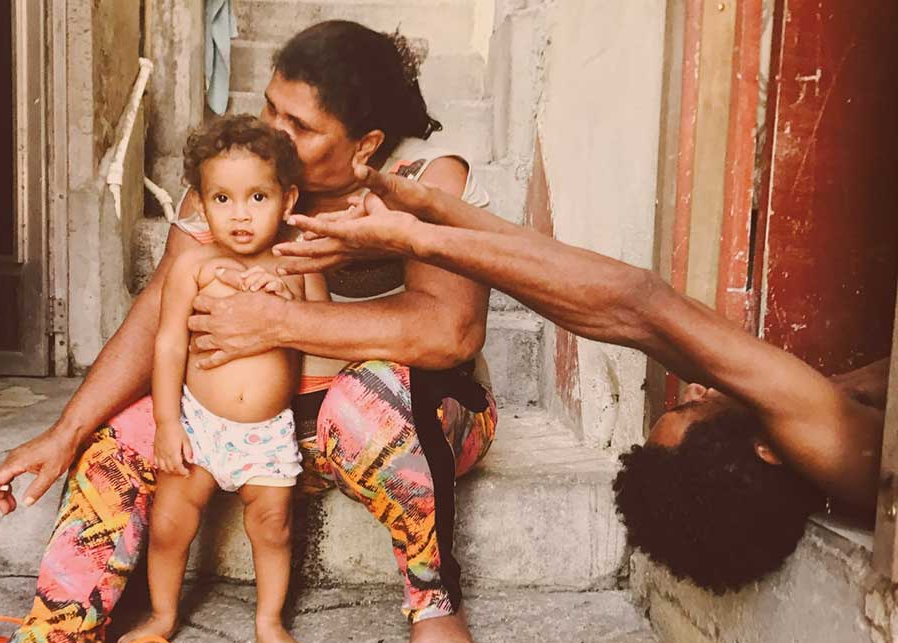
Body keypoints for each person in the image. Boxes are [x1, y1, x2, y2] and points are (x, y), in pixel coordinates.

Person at [0, 20, 496, 643]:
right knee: (120, 435)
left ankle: (434, 596)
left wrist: (277, 320)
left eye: (299, 122)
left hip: (413, 424)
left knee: (365, 402)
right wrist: (65, 433)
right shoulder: (236, 178)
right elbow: (159, 310)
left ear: (367, 144)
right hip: (263, 425)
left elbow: (450, 332)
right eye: (270, 105)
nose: (273, 129)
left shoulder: (424, 176)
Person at [276, 163, 887, 594]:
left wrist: (424, 224)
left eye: (690, 402)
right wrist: (423, 223)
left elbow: (635, 314)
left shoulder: (828, 436)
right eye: (694, 409)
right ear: (764, 452)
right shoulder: (831, 435)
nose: (697, 387)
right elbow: (637, 306)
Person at [116, 115, 325, 643]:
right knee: (170, 521)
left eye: (258, 196)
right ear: (201, 204)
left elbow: (325, 334)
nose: (240, 213)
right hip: (199, 424)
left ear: (287, 199)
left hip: (267, 432)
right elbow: (167, 346)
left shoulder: (296, 261)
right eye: (222, 198)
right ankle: (163, 612)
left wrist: (284, 298)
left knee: (273, 526)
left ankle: (268, 619)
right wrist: (167, 424)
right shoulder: (193, 264)